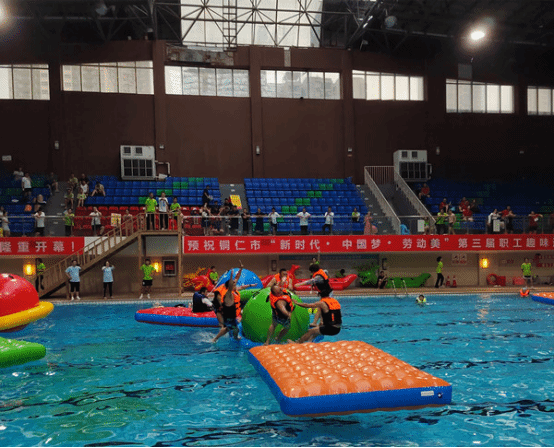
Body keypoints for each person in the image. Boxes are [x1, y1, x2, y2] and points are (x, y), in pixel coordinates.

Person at [212, 262, 249, 343]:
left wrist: (241, 269)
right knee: (227, 328)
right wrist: (231, 275)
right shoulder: (227, 292)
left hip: (231, 312)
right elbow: (219, 304)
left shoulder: (234, 291)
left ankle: (234, 337)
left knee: (234, 328)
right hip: (227, 312)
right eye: (233, 284)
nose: (235, 284)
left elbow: (237, 278)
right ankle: (215, 338)